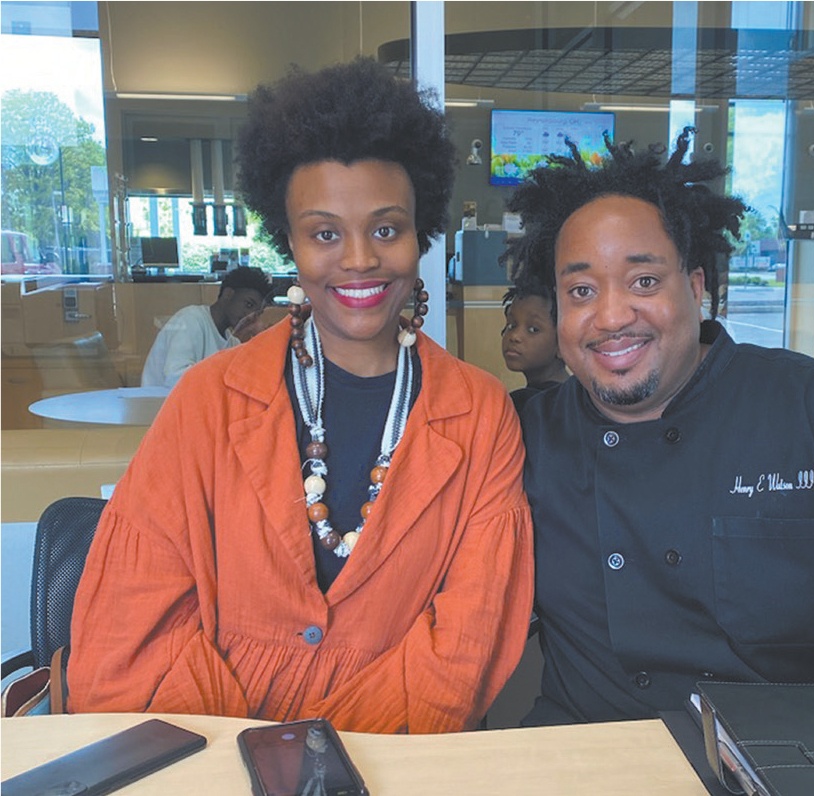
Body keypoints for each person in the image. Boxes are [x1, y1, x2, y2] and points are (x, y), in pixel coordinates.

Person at [68, 58, 534, 734]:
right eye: (324, 233)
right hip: (210, 754)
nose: (359, 259)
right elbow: (130, 623)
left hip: (395, 755)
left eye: (385, 228)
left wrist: (328, 760)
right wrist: (254, 756)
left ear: (420, 232)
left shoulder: (481, 416)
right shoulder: (209, 400)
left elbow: (464, 646)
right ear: (287, 240)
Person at [503, 130, 814, 727]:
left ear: (697, 288)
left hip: (800, 758)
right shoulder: (520, 437)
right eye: (581, 291)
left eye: (644, 281)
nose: (611, 316)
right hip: (587, 754)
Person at [140, 266, 273, 388]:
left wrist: (260, 341)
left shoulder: (231, 341)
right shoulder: (191, 319)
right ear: (228, 294)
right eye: (249, 305)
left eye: (257, 313)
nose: (250, 316)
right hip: (159, 403)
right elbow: (175, 377)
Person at [500, 281, 568, 415]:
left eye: (533, 329)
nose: (514, 336)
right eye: (511, 325)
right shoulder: (579, 397)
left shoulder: (528, 406)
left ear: (563, 343)